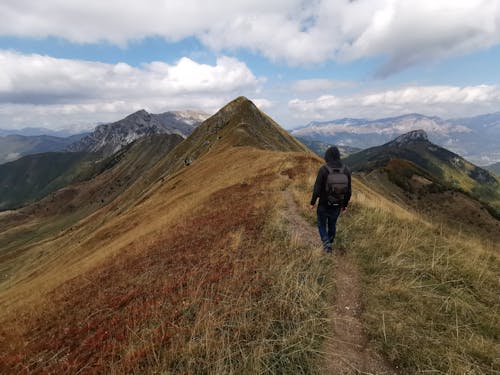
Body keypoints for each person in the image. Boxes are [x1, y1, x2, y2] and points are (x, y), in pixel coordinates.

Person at [309, 146, 352, 254]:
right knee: (332, 224)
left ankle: (326, 242)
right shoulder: (346, 170)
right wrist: (345, 205)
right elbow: (349, 191)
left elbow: (317, 188)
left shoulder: (323, 169)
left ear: (327, 156)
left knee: (321, 224)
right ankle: (330, 242)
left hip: (323, 203)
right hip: (338, 204)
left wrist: (312, 202)